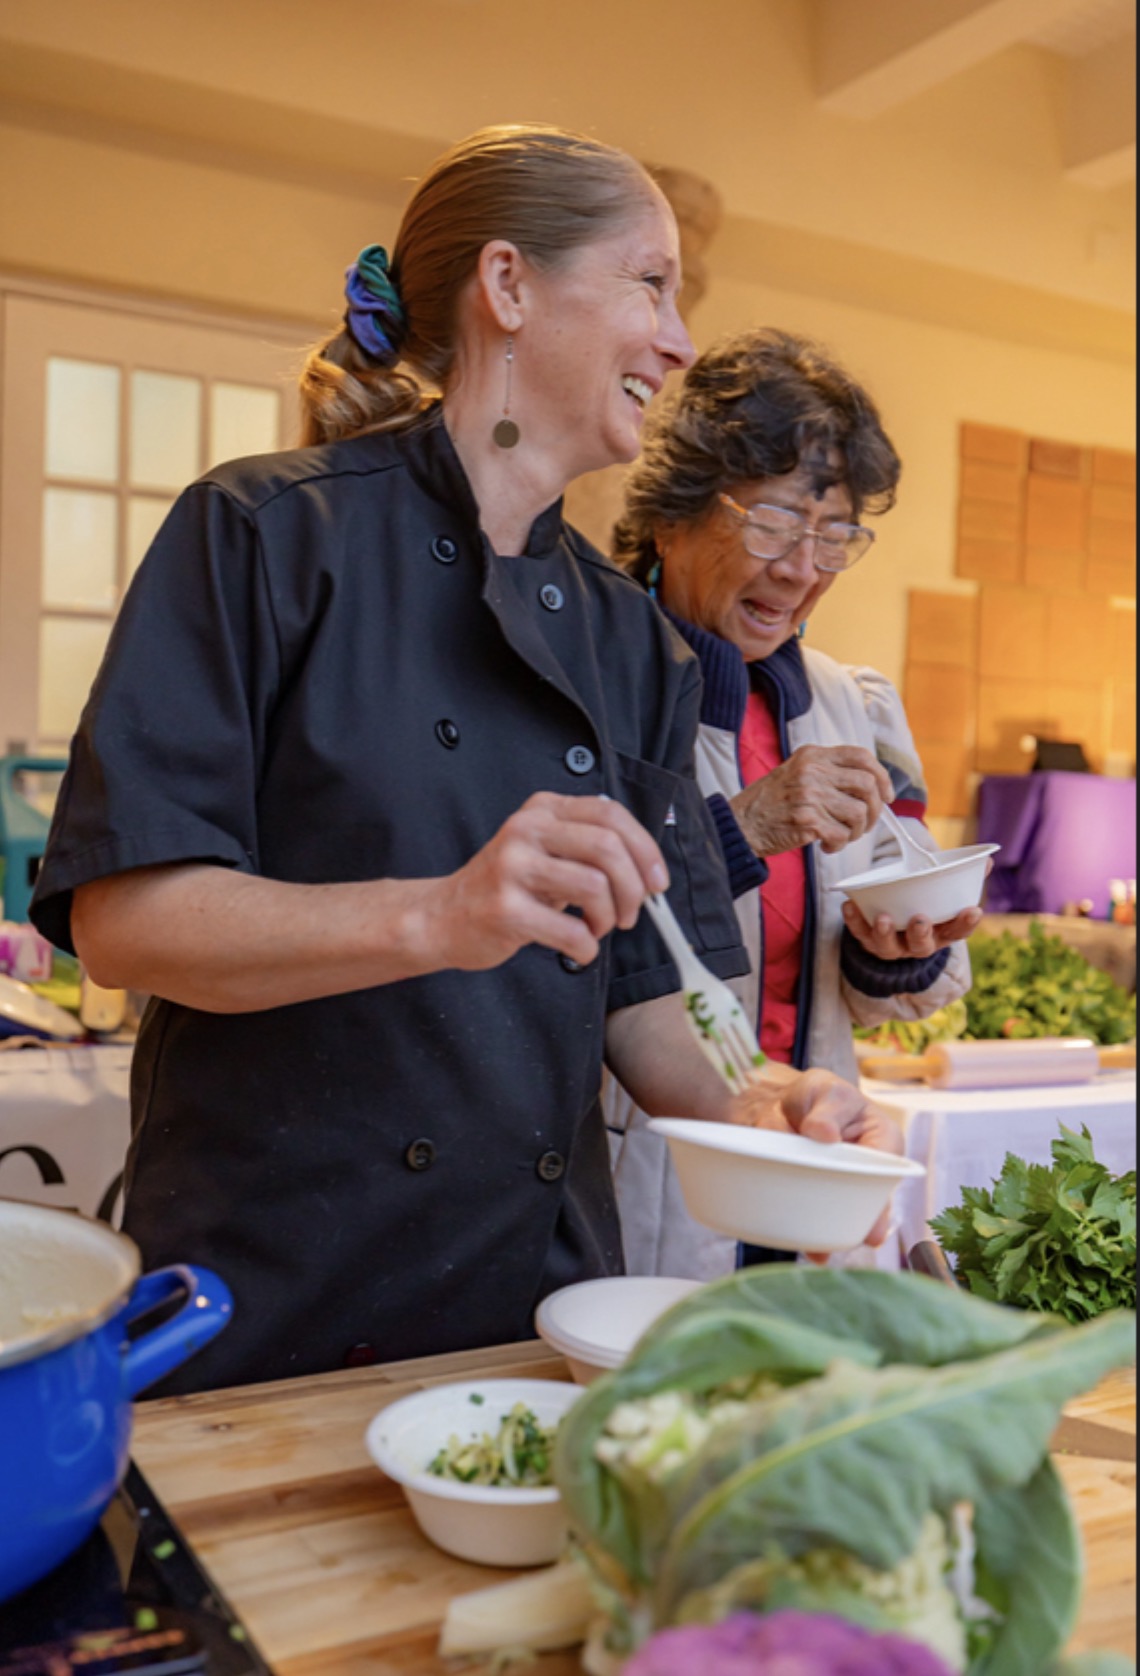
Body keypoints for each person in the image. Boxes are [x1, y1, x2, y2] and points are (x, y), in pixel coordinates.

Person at [30, 131, 896, 1392]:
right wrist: (441, 912)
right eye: (651, 285)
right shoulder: (263, 536)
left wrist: (774, 1109)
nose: (679, 340)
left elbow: (646, 1000)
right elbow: (125, 921)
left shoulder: (635, 641)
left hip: (537, 1303)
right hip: (274, 1293)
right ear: (509, 285)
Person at [607, 327, 974, 1278]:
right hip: (654, 1169)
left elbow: (898, 987)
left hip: (817, 1161)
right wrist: (744, 827)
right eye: (772, 524)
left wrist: (893, 951)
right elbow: (575, 947)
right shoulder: (595, 689)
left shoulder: (854, 706)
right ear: (671, 517)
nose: (802, 567)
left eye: (835, 534)